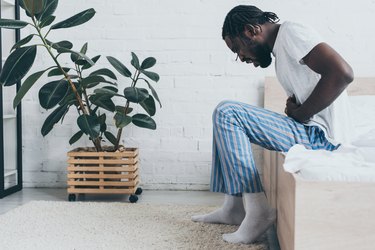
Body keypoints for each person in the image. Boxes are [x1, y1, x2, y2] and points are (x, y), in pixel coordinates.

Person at [191, 5, 354, 244]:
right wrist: (296, 109)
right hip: (311, 131)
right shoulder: (282, 52)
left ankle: (258, 211)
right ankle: (233, 207)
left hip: (322, 137)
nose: (241, 57)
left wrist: (300, 114)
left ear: (251, 30)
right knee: (222, 114)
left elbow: (342, 73)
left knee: (228, 112)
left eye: (237, 49)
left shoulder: (291, 32)